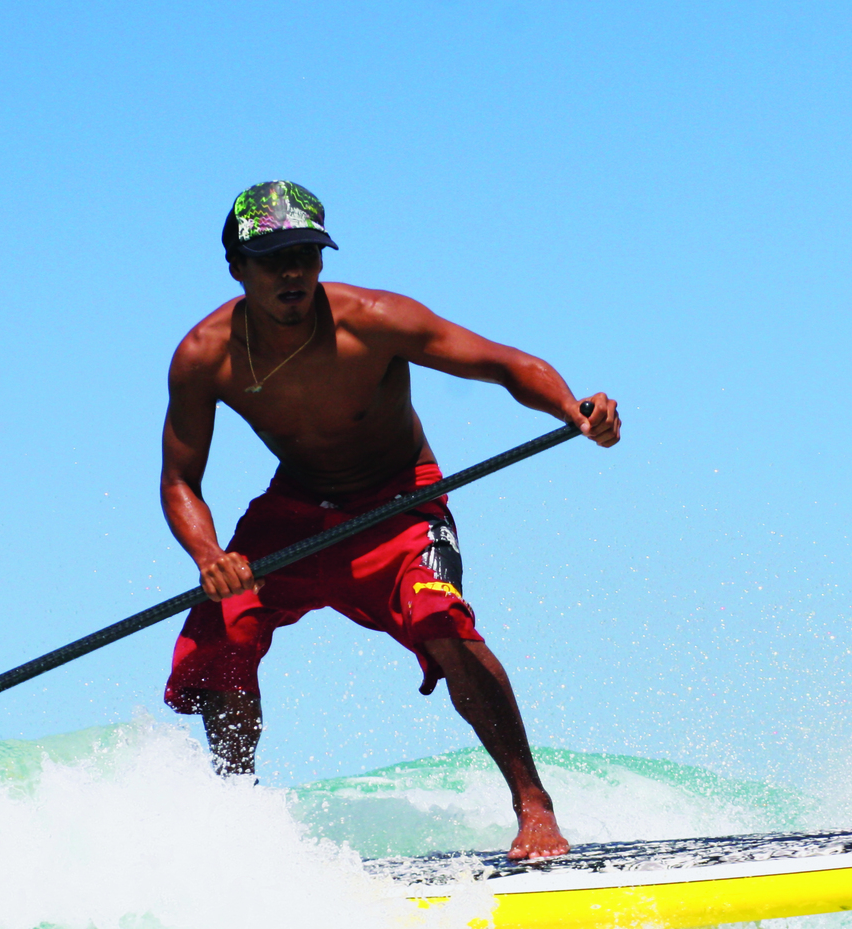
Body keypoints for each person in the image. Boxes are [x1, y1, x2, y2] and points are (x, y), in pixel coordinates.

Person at [160, 181, 618, 860]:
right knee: (218, 631)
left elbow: (506, 365)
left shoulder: (373, 320)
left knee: (443, 624)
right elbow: (179, 481)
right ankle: (236, 819)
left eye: (306, 255)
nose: (293, 273)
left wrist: (572, 411)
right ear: (237, 268)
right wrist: (208, 558)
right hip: (295, 511)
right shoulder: (204, 357)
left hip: (399, 506)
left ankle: (533, 804)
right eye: (273, 259)